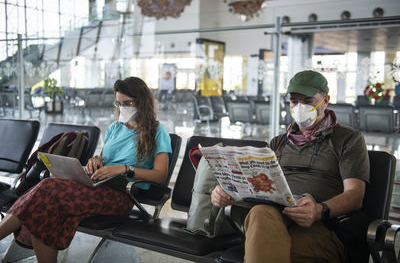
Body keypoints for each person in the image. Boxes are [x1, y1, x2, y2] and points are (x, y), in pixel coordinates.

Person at [0, 77, 172, 263]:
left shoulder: (157, 132)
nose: (123, 108)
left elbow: (160, 175)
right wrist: (96, 160)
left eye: (128, 103)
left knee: (46, 190)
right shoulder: (116, 128)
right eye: (119, 103)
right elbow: (106, 159)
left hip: (121, 195)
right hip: (96, 186)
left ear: (142, 101)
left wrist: (124, 169)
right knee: (45, 206)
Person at [211, 70, 369, 262]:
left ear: (325, 100)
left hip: (323, 224)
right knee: (260, 213)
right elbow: (255, 186)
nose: (300, 107)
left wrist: (320, 210)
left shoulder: (347, 139)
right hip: (273, 218)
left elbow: (355, 196)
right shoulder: (278, 143)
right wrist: (226, 191)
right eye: (294, 101)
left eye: (308, 101)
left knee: (268, 251)